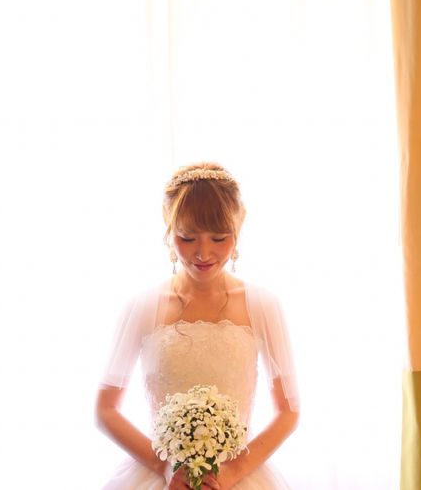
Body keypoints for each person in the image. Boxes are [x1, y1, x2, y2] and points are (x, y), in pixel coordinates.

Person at [96, 162, 300, 489]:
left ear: (237, 231)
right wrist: (163, 466)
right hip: (161, 475)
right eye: (187, 238)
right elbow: (105, 409)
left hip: (238, 476)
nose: (203, 253)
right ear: (169, 232)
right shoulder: (143, 307)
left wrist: (233, 471)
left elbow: (288, 412)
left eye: (219, 238)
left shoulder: (262, 305)